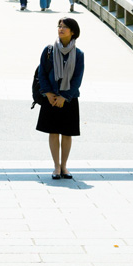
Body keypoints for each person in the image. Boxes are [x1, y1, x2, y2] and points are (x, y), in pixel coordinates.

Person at [37, 17, 84, 179]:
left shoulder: (78, 54)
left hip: (68, 99)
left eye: (65, 27)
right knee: (53, 132)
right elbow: (41, 73)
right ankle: (56, 166)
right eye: (59, 26)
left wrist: (65, 97)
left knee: (67, 133)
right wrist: (48, 94)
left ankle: (64, 166)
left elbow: (77, 79)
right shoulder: (49, 50)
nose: (61, 29)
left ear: (73, 32)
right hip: (50, 97)